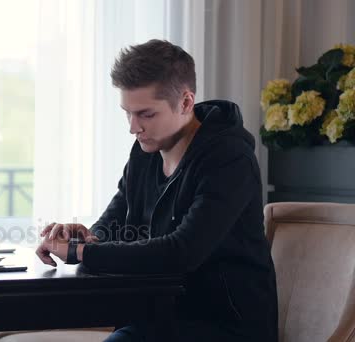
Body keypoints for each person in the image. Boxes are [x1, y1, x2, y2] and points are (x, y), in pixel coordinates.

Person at [35, 39, 278, 341]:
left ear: (186, 102)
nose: (133, 127)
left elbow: (182, 252)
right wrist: (87, 238)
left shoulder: (229, 159)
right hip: (157, 315)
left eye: (146, 114)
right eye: (128, 113)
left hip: (225, 327)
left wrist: (83, 252)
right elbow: (116, 221)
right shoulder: (145, 150)